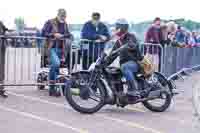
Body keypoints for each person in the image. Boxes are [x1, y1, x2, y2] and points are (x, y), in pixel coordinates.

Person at [41, 9, 73, 97]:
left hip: (61, 49)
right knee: (56, 64)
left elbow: (69, 35)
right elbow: (43, 33)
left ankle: (54, 89)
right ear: (58, 15)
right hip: (51, 48)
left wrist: (63, 36)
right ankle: (52, 87)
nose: (63, 17)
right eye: (62, 15)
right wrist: (53, 35)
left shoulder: (65, 24)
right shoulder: (49, 22)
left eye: (64, 16)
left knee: (57, 68)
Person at [108, 19, 143, 98]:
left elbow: (133, 45)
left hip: (135, 63)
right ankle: (118, 93)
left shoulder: (131, 36)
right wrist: (105, 60)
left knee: (125, 66)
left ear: (122, 28)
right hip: (124, 64)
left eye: (117, 27)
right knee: (111, 71)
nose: (116, 29)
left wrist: (127, 46)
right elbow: (112, 55)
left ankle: (134, 88)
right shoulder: (118, 41)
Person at [0, 21, 8, 98]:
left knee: (1, 70)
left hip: (1, 49)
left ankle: (1, 88)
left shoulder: (1, 23)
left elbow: (5, 31)